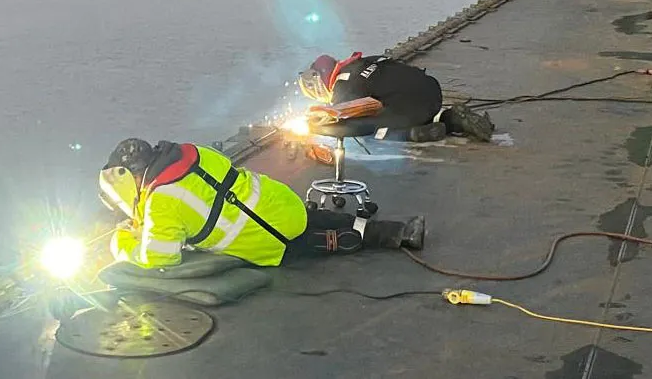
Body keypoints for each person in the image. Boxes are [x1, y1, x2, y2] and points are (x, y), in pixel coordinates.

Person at [99, 138, 425, 269]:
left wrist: (122, 242)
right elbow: (200, 198)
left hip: (269, 239)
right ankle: (399, 230)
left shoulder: (162, 202)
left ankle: (360, 240)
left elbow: (159, 259)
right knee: (321, 218)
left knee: (319, 242)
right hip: (280, 200)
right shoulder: (192, 153)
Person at [297, 52, 448, 142]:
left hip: (412, 110)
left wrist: (314, 126)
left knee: (359, 130)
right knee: (387, 102)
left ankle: (411, 134)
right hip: (433, 93)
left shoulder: (343, 84)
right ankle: (448, 119)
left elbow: (339, 118)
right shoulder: (364, 61)